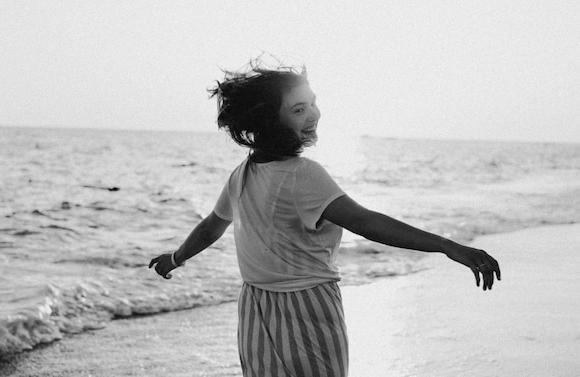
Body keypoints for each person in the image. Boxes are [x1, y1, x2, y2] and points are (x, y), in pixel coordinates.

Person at [149, 61, 501, 377]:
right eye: (299, 109)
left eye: (313, 103)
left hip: (259, 305)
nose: (313, 114)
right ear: (269, 121)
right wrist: (447, 246)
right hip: (303, 307)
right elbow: (365, 222)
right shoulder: (298, 174)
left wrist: (177, 258)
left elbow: (213, 225)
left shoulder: (245, 173)